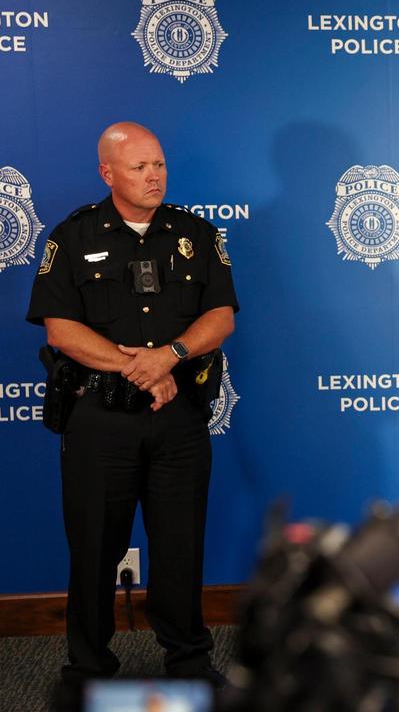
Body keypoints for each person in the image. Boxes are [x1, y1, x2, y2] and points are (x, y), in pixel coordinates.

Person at [27, 122, 238, 693]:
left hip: (180, 420)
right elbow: (60, 330)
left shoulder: (197, 233)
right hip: (101, 421)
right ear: (108, 173)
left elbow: (220, 317)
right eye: (141, 167)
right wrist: (136, 369)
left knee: (180, 546)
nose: (154, 176)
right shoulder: (71, 237)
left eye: (160, 165)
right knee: (94, 548)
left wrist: (169, 356)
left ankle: (189, 662)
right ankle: (88, 668)